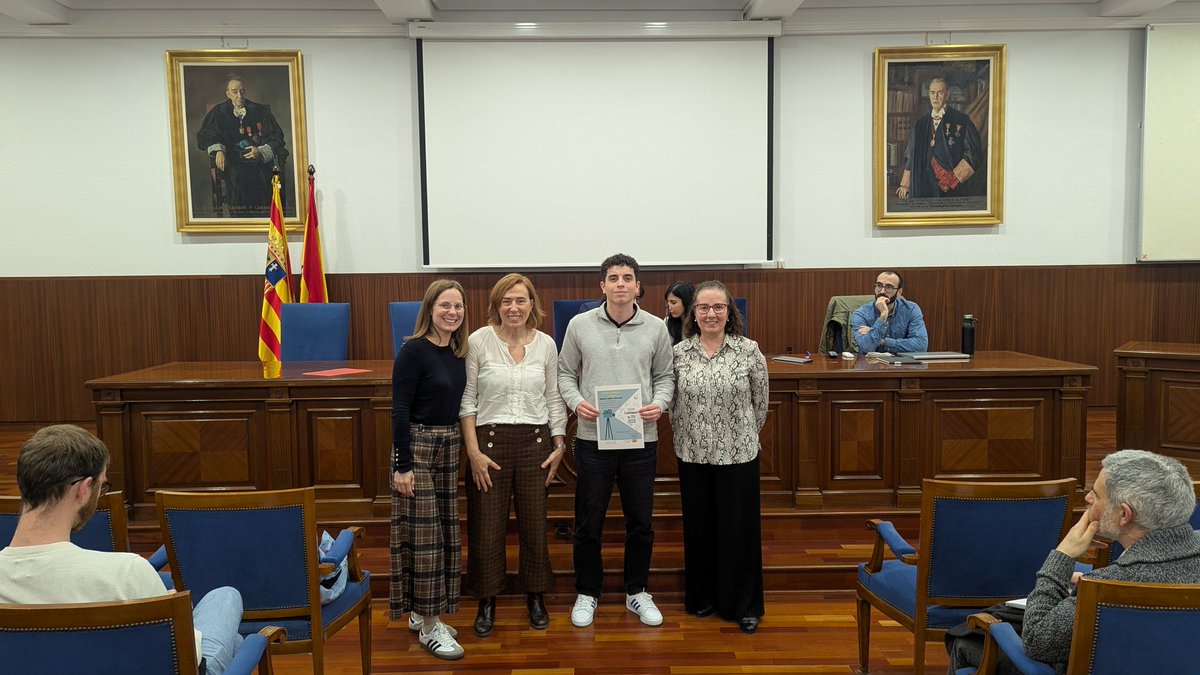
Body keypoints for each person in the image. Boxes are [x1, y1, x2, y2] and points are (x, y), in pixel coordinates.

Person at [0, 425, 246, 675]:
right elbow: (189, 660)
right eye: (101, 486)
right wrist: (175, 614)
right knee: (226, 599)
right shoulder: (126, 572)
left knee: (232, 637)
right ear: (83, 490)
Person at [945, 449, 1200, 674]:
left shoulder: (1105, 588)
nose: (1088, 498)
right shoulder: (1109, 580)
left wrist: (1062, 556)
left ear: (1124, 514)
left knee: (967, 639)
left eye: (1096, 494)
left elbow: (1038, 641)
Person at [558, 253, 675, 629]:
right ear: (602, 286)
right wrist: (577, 404)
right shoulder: (579, 325)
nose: (621, 284)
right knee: (588, 521)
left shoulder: (656, 327)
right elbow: (563, 374)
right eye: (614, 278)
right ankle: (588, 592)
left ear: (638, 286)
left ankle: (636, 591)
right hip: (593, 439)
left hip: (641, 439)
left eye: (628, 278)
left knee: (640, 520)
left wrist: (660, 403)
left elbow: (666, 377)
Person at [460, 273, 567, 637]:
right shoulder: (478, 341)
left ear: (532, 304)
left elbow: (553, 398)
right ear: (496, 305)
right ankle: (486, 600)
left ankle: (535, 595)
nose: (514, 307)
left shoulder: (547, 345)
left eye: (520, 300)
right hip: (489, 445)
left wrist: (559, 445)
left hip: (536, 445)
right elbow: (468, 400)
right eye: (506, 301)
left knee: (535, 526)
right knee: (486, 527)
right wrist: (472, 452)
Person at [671, 280, 769, 634]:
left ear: (730, 313)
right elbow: (672, 404)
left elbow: (761, 405)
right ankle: (702, 597)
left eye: (718, 307)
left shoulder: (748, 351)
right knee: (699, 530)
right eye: (703, 308)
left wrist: (737, 435)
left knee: (738, 532)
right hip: (693, 454)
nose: (710, 314)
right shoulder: (679, 354)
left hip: (738, 455)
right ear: (693, 314)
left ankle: (743, 605)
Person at [391, 279, 469, 661]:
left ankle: (423, 612)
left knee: (443, 533)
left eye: (458, 306)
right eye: (445, 306)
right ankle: (428, 625)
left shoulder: (457, 352)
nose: (452, 312)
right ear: (430, 309)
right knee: (423, 540)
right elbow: (400, 410)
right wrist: (403, 464)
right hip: (418, 449)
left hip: (450, 444)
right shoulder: (413, 351)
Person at [196, 75, 290, 218]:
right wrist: (218, 150)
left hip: (258, 160)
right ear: (227, 93)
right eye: (234, 91)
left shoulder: (260, 110)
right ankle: (241, 219)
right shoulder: (218, 112)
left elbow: (277, 136)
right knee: (237, 178)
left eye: (242, 91)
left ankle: (265, 219)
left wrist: (260, 150)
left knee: (265, 178)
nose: (239, 95)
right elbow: (206, 136)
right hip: (232, 162)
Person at [897, 77, 985, 200]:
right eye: (932, 92)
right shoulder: (920, 124)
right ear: (929, 95)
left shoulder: (961, 120)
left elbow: (973, 154)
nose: (935, 97)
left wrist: (953, 179)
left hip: (950, 189)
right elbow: (910, 156)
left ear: (947, 94)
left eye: (940, 93)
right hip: (922, 186)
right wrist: (905, 185)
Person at [851, 270, 928, 353]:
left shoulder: (911, 309)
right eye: (879, 285)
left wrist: (882, 341)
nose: (882, 291)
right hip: (871, 364)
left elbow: (921, 345)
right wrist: (883, 316)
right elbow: (866, 347)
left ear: (899, 292)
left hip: (903, 363)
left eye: (889, 287)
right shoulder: (860, 314)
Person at [663, 280, 695, 346]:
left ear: (686, 301)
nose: (669, 307)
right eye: (668, 302)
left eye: (673, 303)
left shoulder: (698, 321)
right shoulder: (667, 321)